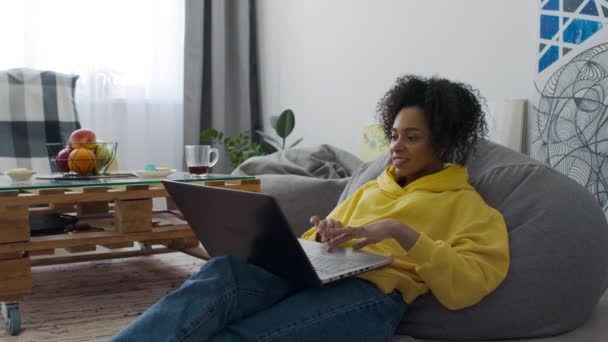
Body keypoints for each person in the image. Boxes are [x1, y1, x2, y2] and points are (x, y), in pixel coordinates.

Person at [111, 75, 510, 342]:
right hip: (315, 275)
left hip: (368, 295)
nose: (395, 147)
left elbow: (469, 286)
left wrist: (398, 231)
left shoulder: (466, 204)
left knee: (244, 333)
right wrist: (324, 235)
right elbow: (318, 244)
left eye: (412, 137)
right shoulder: (373, 186)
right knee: (222, 273)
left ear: (440, 143)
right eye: (393, 135)